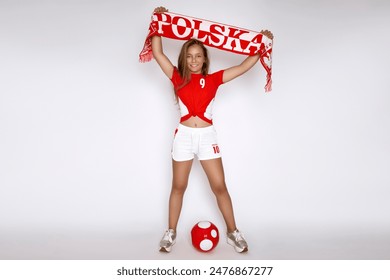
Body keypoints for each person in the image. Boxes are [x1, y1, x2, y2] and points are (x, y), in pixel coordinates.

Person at [151, 7, 273, 253]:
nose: (194, 60)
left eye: (198, 56)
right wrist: (158, 24)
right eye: (189, 56)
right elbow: (157, 52)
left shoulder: (214, 79)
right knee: (178, 186)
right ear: (183, 59)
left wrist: (261, 44)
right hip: (184, 136)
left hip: (207, 137)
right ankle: (171, 232)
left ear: (205, 58)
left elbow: (242, 67)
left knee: (219, 186)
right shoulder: (177, 77)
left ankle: (233, 232)